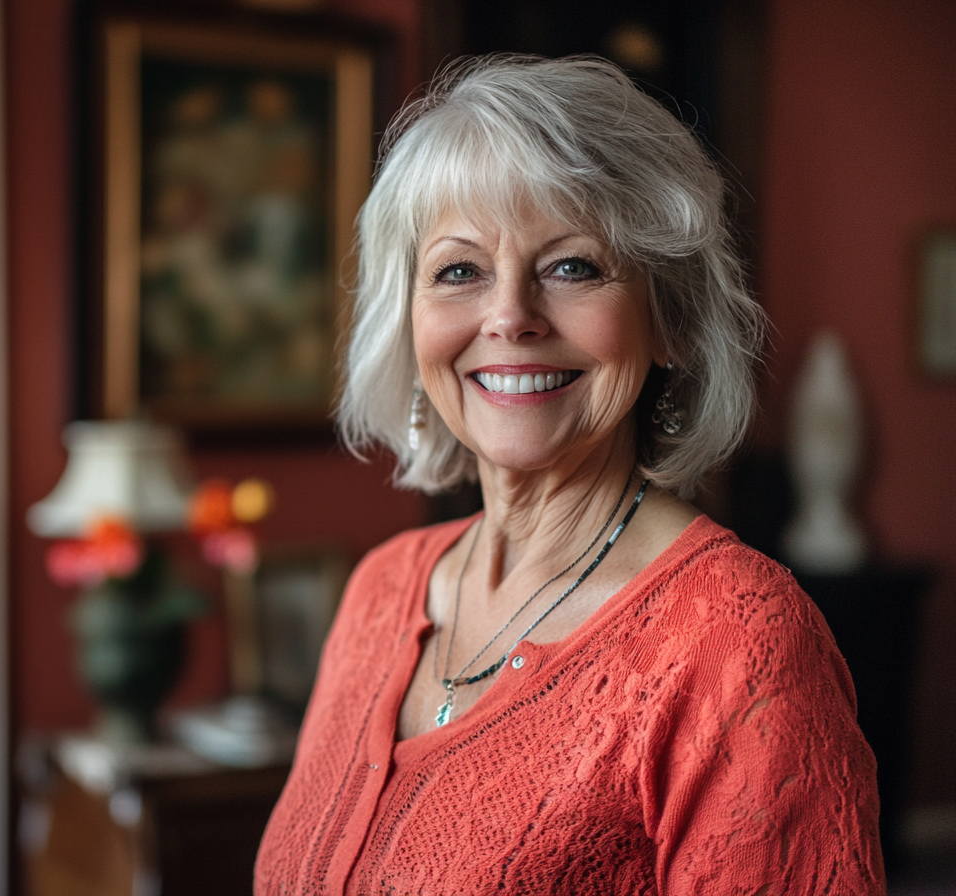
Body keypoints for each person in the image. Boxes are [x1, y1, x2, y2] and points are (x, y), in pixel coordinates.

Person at [255, 56, 883, 894]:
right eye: (459, 270)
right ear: (406, 321)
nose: (509, 315)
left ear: (670, 321)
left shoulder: (741, 648)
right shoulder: (380, 590)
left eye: (572, 267)